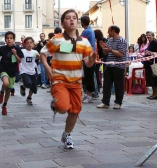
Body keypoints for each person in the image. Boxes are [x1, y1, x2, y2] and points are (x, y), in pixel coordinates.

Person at [40, 9, 96, 149]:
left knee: (75, 111)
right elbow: (43, 53)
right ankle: (58, 103)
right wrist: (47, 68)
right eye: (68, 18)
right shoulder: (57, 39)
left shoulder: (84, 41)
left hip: (76, 82)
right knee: (63, 107)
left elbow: (88, 63)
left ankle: (66, 134)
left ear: (77, 22)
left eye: (74, 18)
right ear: (63, 23)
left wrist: (93, 58)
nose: (71, 20)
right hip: (59, 79)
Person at [0, 31, 24, 115]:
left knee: (8, 91)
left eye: (11, 38)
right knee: (6, 83)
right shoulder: (3, 48)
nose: (9, 40)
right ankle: (1, 92)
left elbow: (20, 60)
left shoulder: (18, 49)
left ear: (14, 40)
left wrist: (15, 54)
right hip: (3, 69)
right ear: (5, 40)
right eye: (7, 38)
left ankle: (4, 105)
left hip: (12, 71)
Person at [97, 25, 127, 109]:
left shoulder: (122, 41)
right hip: (109, 65)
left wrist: (110, 50)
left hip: (119, 66)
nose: (108, 32)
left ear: (113, 31)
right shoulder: (109, 40)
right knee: (106, 85)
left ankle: (118, 102)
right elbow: (106, 53)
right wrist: (104, 48)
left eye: (109, 30)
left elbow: (121, 54)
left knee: (118, 85)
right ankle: (105, 102)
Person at [19, 37, 40, 105]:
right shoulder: (22, 51)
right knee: (28, 83)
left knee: (34, 88)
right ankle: (23, 86)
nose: (29, 44)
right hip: (24, 71)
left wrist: (38, 57)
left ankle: (29, 97)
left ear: (33, 44)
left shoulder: (35, 52)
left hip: (32, 71)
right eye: (27, 43)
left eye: (31, 42)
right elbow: (18, 59)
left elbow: (39, 59)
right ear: (24, 44)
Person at [80, 15, 96, 103]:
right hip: (89, 56)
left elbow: (78, 41)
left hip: (88, 56)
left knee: (88, 77)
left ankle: (89, 96)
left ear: (82, 23)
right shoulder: (91, 30)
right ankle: (87, 94)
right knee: (87, 76)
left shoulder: (86, 32)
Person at [144, 31, 157, 100]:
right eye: (147, 35)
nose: (148, 36)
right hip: (148, 64)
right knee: (151, 80)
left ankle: (156, 94)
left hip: (153, 64)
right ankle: (153, 94)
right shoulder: (149, 43)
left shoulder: (155, 43)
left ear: (153, 36)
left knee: (154, 79)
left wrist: (150, 52)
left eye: (149, 35)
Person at [94, 29, 107, 94]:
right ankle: (100, 86)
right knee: (99, 73)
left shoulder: (102, 40)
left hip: (102, 58)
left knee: (99, 73)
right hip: (100, 58)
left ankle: (99, 86)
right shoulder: (99, 40)